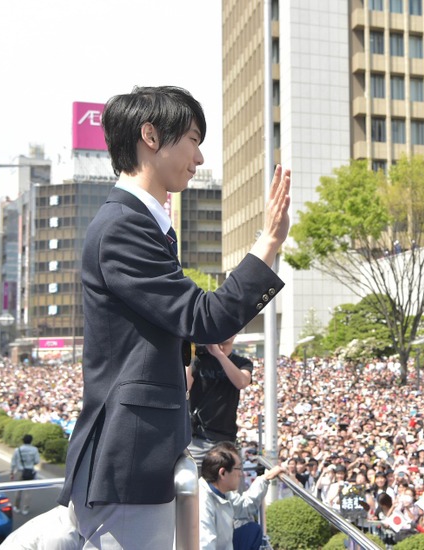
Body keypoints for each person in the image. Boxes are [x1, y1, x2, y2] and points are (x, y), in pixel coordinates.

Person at [56, 85, 291, 548]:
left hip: (140, 454)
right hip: (129, 461)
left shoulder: (143, 225)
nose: (199, 157)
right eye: (192, 139)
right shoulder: (124, 226)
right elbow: (206, 318)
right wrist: (268, 242)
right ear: (150, 135)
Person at [199, 441, 284, 550]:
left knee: (252, 531)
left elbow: (245, 506)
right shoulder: (202, 503)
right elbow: (205, 546)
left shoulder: (222, 492)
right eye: (238, 468)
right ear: (223, 473)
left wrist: (265, 479)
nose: (241, 474)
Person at [187, 335, 253, 468]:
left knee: (228, 486)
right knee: (192, 485)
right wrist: (189, 357)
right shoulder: (199, 360)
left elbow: (241, 382)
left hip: (225, 439)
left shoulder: (242, 362)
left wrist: (219, 354)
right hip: (197, 438)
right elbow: (184, 386)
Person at [11, 434, 41, 515]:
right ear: (31, 440)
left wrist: (12, 472)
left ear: (23, 440)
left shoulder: (18, 450)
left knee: (18, 490)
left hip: (20, 471)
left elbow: (13, 462)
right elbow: (37, 461)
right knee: (28, 491)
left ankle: (17, 507)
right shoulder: (34, 450)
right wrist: (30, 463)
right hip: (29, 471)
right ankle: (25, 509)